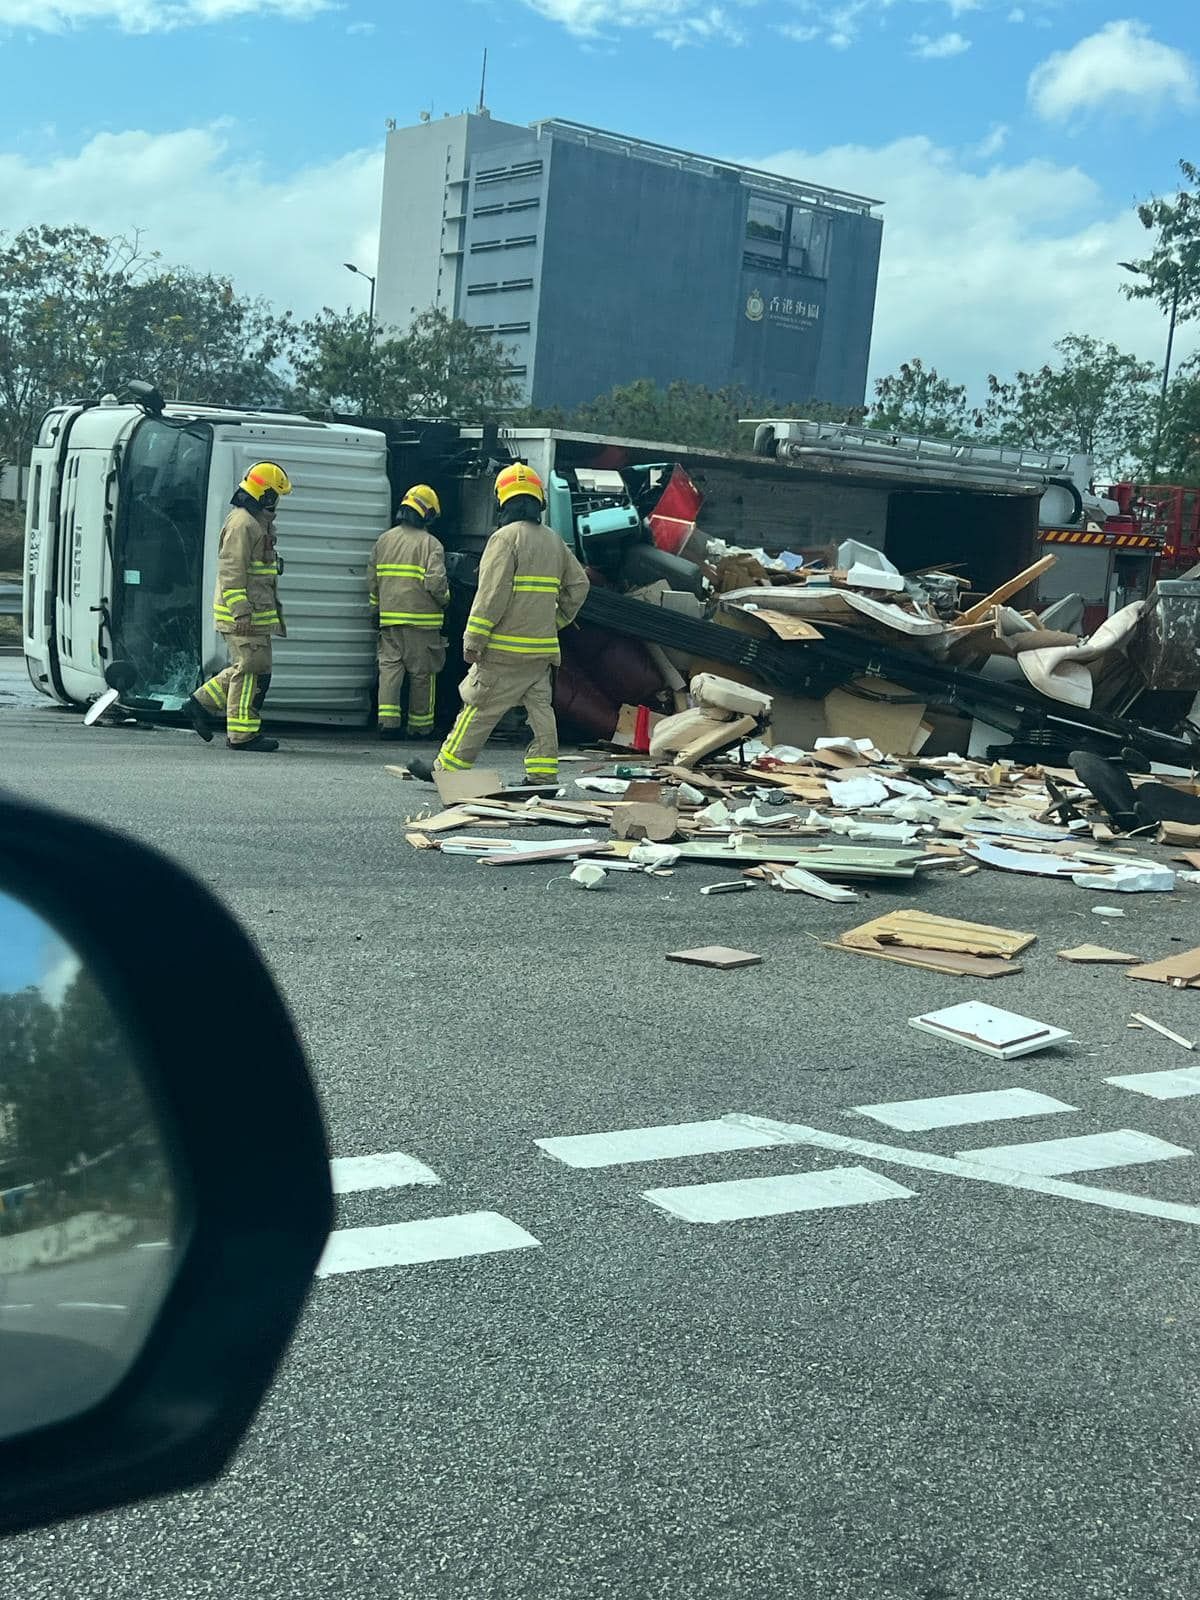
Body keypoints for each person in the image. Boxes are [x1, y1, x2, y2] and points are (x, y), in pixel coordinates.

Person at [408, 463, 588, 786]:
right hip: (540, 651)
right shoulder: (554, 542)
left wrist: (473, 639)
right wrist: (557, 620)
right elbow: (579, 586)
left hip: (503, 650)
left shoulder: (504, 539)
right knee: (540, 713)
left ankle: (447, 769)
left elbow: (491, 594)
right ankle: (543, 775)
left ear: (502, 502)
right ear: (538, 501)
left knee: (478, 708)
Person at [186, 462, 291, 753]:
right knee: (252, 670)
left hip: (256, 612)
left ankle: (200, 704)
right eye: (276, 496)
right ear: (266, 495)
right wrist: (241, 611)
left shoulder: (255, 521)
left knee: (252, 667)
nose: (277, 503)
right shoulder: (242, 523)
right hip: (245, 615)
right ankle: (242, 735)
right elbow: (232, 571)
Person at [367, 485, 448, 741]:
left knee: (390, 671)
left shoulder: (384, 540)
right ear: (428, 514)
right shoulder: (430, 544)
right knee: (422, 675)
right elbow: (436, 583)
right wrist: (446, 600)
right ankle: (420, 726)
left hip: (389, 620)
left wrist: (375, 609)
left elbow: (373, 580)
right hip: (422, 624)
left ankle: (387, 723)